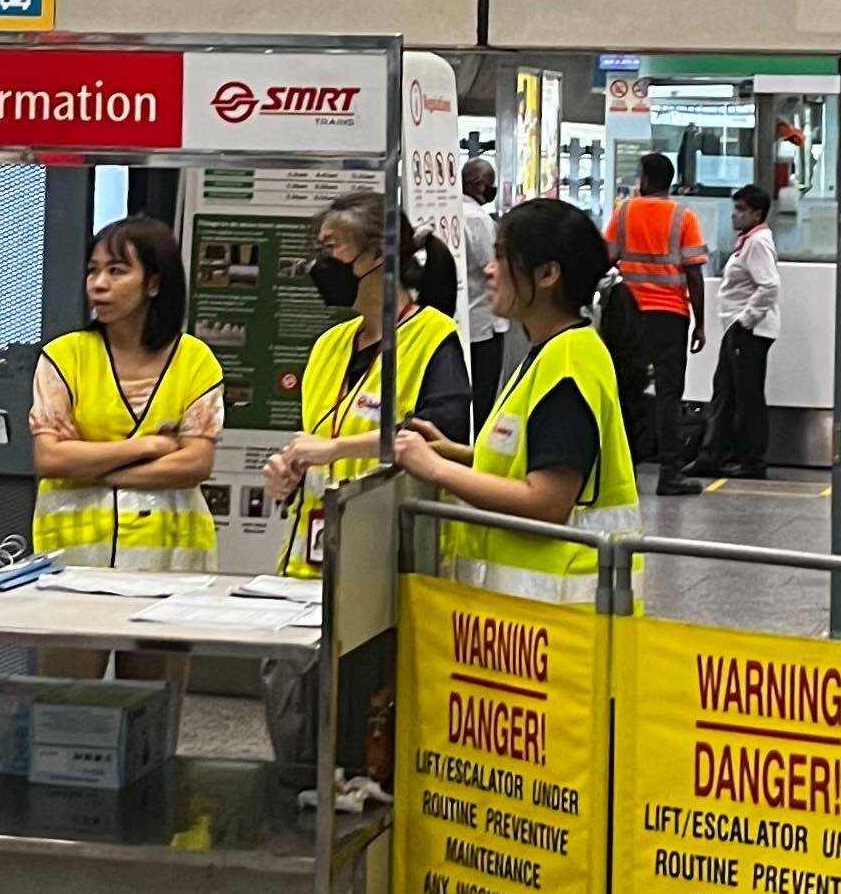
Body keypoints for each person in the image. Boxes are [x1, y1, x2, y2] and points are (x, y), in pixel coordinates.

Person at [395, 196, 641, 603]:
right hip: (528, 622)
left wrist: (435, 468)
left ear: (547, 274)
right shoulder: (549, 351)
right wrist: (456, 453)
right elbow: (529, 458)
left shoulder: (567, 365)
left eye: (501, 257)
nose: (488, 272)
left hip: (559, 617)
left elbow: (547, 501)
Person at [264, 185, 470, 576]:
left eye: (332, 248)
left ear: (378, 255)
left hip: (390, 562)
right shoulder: (329, 344)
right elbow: (317, 440)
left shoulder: (432, 337)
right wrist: (288, 473)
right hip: (311, 566)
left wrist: (334, 449)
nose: (320, 264)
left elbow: (440, 442)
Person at [31, 215, 226, 573]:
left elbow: (196, 463)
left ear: (153, 284)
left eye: (116, 271)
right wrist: (150, 447)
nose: (98, 285)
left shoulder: (195, 360)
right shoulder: (63, 356)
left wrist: (92, 467)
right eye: (93, 271)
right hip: (76, 564)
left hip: (173, 563)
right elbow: (51, 460)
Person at [604, 150, 708, 491]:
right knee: (668, 393)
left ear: (646, 179)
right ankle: (670, 473)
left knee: (625, 388)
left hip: (627, 314)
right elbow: (694, 274)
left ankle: (625, 469)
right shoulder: (683, 217)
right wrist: (700, 322)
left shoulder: (623, 213)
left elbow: (605, 259)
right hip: (669, 315)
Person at [699, 183, 781, 479]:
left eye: (741, 210)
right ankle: (713, 454)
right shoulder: (748, 241)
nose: (734, 215)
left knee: (747, 397)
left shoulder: (757, 243)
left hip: (748, 331)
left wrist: (745, 321)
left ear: (757, 214)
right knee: (725, 391)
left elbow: (769, 286)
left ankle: (752, 461)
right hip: (738, 329)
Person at [458, 154, 503, 422]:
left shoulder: (449, 212)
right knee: (482, 400)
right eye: (490, 184)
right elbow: (492, 265)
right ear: (478, 185)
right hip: (483, 324)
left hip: (462, 321)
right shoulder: (478, 219)